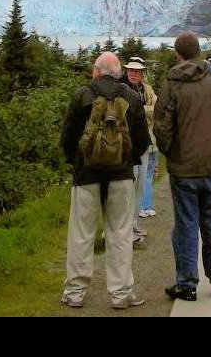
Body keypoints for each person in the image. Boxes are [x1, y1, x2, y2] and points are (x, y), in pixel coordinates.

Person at [154, 31, 211, 302]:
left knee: (186, 224)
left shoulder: (173, 83)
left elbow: (162, 126)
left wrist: (171, 153)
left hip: (184, 168)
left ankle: (187, 283)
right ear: (199, 51)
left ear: (177, 53)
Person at [60, 52, 152, 309]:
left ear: (96, 71)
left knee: (81, 233)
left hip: (86, 174)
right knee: (120, 233)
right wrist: (129, 161)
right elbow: (143, 140)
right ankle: (121, 293)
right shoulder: (131, 97)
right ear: (119, 72)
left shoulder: (82, 95)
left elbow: (68, 137)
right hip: (121, 176)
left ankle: (75, 292)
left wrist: (75, 161)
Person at [122, 57, 159, 228]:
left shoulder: (147, 89)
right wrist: (145, 110)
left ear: (142, 73)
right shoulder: (121, 88)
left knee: (142, 181)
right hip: (126, 144)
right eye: (131, 70)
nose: (133, 74)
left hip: (145, 142)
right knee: (126, 183)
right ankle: (121, 223)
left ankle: (134, 221)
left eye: (137, 71)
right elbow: (123, 111)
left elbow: (156, 109)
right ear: (126, 71)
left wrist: (139, 109)